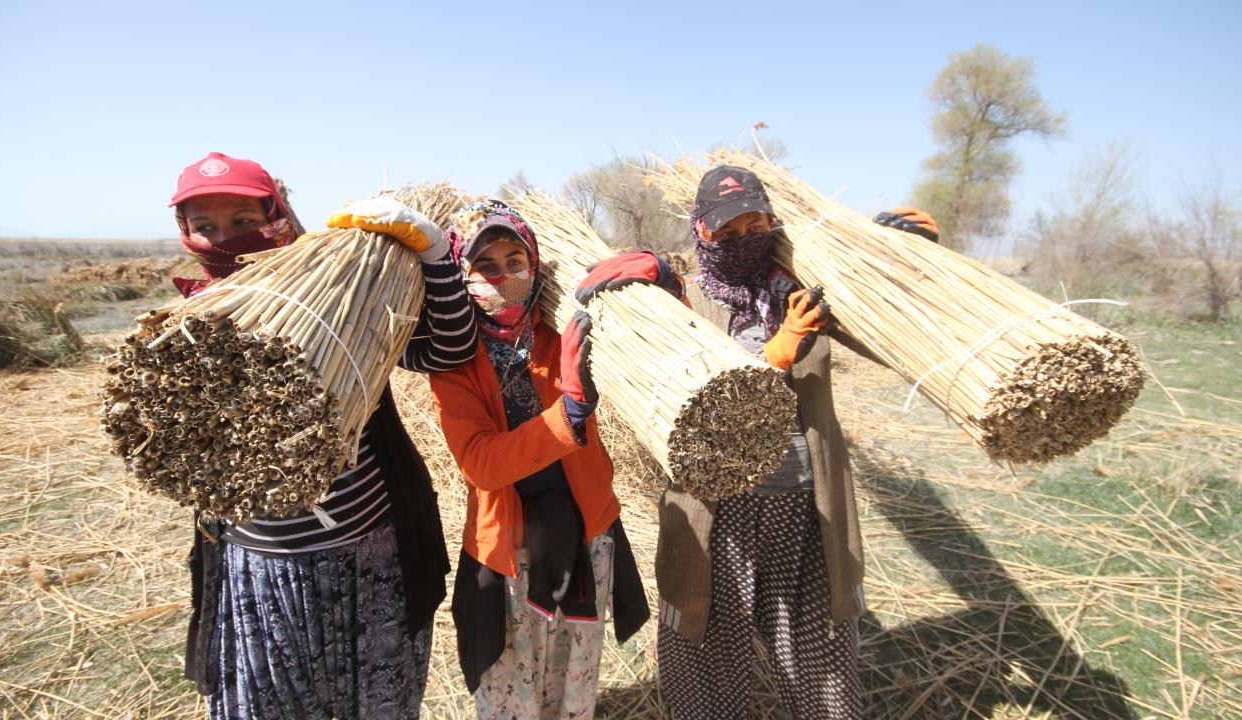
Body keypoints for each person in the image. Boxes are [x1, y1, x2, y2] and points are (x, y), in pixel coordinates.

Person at [170, 151, 478, 719]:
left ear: (277, 217)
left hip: (369, 557)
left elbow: (448, 351)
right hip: (259, 569)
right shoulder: (189, 323)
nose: (225, 239)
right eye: (204, 226)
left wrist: (435, 256)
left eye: (243, 220)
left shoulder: (341, 297)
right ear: (183, 232)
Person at [654, 164, 938, 719]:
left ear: (773, 225)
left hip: (803, 501)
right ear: (700, 231)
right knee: (709, 646)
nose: (742, 241)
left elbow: (889, 332)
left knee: (817, 657)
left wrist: (903, 263)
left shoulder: (806, 290)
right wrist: (775, 354)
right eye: (726, 232)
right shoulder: (684, 300)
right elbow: (690, 391)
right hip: (719, 507)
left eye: (754, 227)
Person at [428, 199, 659, 719]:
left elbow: (654, 351)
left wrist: (661, 286)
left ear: (533, 265)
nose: (504, 278)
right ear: (462, 276)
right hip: (510, 555)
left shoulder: (565, 332)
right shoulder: (453, 360)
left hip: (586, 539)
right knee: (512, 702)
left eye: (515, 262)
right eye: (485, 266)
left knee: (573, 694)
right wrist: (567, 415)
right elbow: (480, 463)